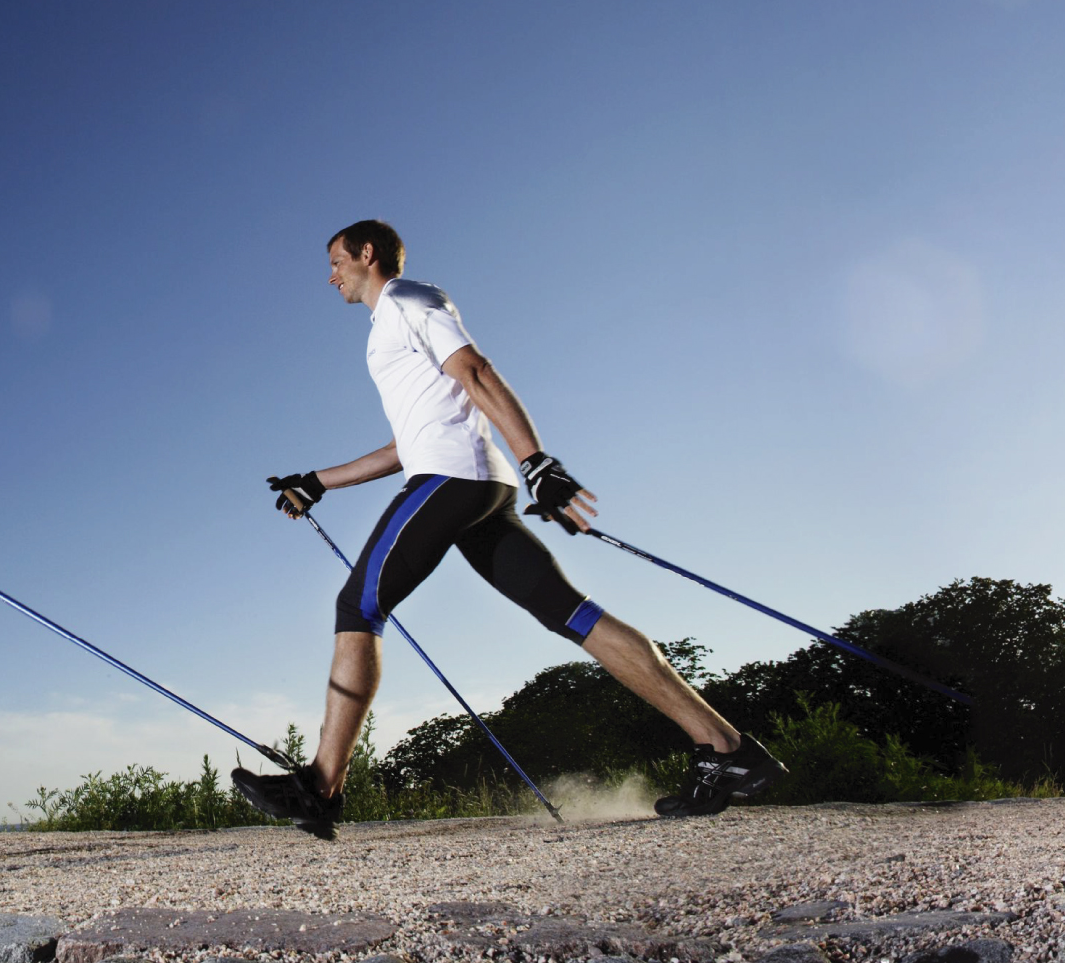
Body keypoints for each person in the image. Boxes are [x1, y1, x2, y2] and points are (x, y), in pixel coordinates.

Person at [236, 219, 785, 839]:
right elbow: (403, 445)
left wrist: (539, 463)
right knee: (572, 614)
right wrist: (317, 480)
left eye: (336, 260)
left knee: (358, 604)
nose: (330, 275)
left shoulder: (409, 300)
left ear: (366, 254)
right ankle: (728, 750)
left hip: (453, 481)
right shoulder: (387, 329)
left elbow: (476, 370)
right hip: (471, 484)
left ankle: (320, 787)